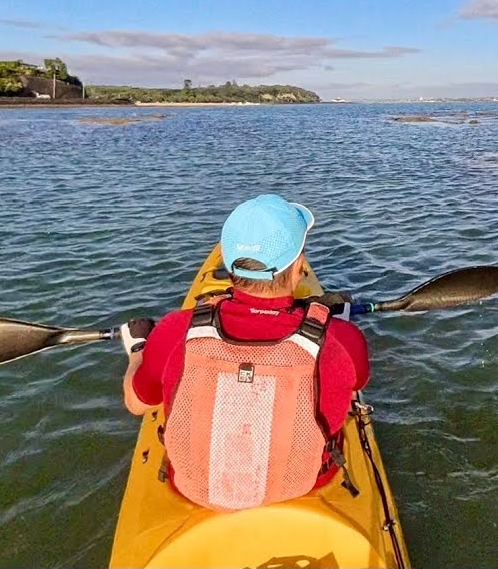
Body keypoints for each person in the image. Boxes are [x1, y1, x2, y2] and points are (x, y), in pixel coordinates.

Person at [120, 194, 370, 512]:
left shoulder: (175, 330)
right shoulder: (342, 339)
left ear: (228, 262)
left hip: (196, 492)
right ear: (299, 267)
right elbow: (357, 382)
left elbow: (136, 403)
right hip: (304, 485)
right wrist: (331, 321)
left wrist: (139, 350)